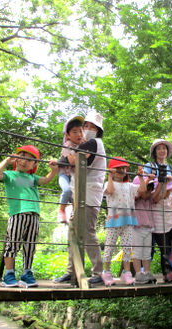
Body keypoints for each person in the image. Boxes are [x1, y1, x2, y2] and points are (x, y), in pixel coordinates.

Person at [0, 145, 58, 287]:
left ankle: (26, 273)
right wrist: (7, 161)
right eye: (21, 157)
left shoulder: (32, 178)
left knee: (30, 245)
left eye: (29, 160)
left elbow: (46, 180)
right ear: (16, 159)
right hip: (17, 213)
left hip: (34, 214)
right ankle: (9, 274)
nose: (24, 161)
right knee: (13, 243)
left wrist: (54, 171)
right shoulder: (10, 175)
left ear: (34, 164)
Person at [55, 112, 106, 284]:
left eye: (92, 127)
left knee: (87, 232)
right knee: (74, 232)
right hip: (81, 195)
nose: (88, 129)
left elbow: (72, 160)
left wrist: (63, 160)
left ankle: (98, 272)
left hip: (89, 195)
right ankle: (73, 271)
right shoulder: (90, 143)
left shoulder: (93, 142)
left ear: (98, 130)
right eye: (87, 126)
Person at [101, 158, 147, 286]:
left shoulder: (130, 186)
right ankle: (106, 271)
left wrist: (141, 177)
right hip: (114, 220)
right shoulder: (108, 183)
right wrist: (109, 176)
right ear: (112, 171)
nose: (121, 171)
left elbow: (142, 190)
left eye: (123, 168)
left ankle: (126, 272)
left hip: (128, 220)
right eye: (118, 168)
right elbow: (110, 191)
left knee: (127, 247)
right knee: (110, 246)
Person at [56, 115, 85, 223]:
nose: (79, 134)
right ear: (67, 135)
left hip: (74, 175)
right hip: (64, 174)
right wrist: (83, 154)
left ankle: (74, 214)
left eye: (81, 131)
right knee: (67, 190)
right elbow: (72, 161)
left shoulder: (84, 144)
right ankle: (61, 211)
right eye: (74, 132)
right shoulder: (67, 144)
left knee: (76, 195)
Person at [132, 174, 157, 284]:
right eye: (146, 190)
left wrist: (160, 181)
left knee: (147, 252)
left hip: (148, 229)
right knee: (137, 252)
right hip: (136, 229)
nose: (148, 193)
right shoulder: (135, 198)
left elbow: (157, 194)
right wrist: (145, 180)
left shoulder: (150, 199)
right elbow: (139, 192)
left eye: (150, 190)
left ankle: (147, 272)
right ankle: (138, 274)